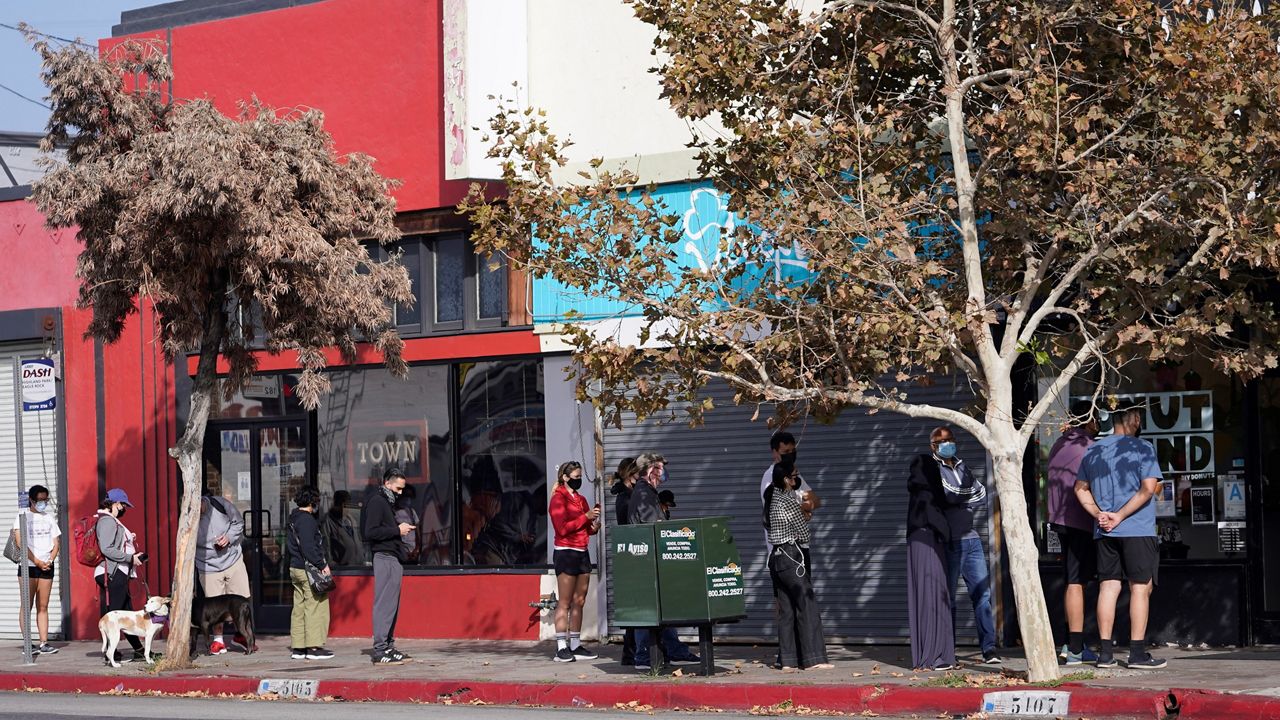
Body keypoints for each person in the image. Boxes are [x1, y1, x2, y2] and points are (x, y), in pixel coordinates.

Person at [1075, 406, 1166, 670]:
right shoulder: (1143, 448)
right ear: (1135, 419)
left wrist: (1099, 514)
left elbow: (1080, 489)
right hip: (1137, 529)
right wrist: (1120, 515)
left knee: (1109, 587)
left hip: (1105, 531)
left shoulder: (1093, 449)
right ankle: (1137, 653)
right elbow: (1149, 488)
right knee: (1140, 587)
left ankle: (1105, 654)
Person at [932, 427, 1001, 665]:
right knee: (947, 598)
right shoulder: (933, 469)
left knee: (982, 595)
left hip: (972, 540)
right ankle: (947, 652)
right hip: (950, 541)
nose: (947, 444)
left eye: (950, 439)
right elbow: (947, 496)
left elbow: (981, 494)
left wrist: (960, 495)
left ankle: (989, 649)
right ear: (933, 445)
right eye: (941, 441)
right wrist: (963, 494)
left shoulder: (962, 466)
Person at [626, 453, 700, 670]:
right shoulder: (643, 494)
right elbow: (654, 528)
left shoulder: (647, 492)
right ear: (649, 470)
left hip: (649, 561)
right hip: (648, 562)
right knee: (649, 609)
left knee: (660, 608)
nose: (663, 472)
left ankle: (673, 650)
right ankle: (644, 656)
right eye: (659, 468)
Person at [1047, 402, 1103, 664]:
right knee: (1076, 583)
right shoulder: (1090, 447)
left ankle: (1070, 644)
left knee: (1072, 579)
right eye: (1098, 418)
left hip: (1059, 520)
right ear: (1090, 420)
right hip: (1081, 520)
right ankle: (1076, 650)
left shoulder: (1059, 444)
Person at [765, 462, 833, 670]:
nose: (796, 481)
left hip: (776, 557)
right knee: (807, 604)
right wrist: (805, 517)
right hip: (792, 555)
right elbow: (804, 532)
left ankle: (788, 661)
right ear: (786, 479)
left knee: (786, 610)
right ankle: (814, 659)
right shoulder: (787, 499)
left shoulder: (772, 497)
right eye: (794, 477)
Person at [906, 435, 955, 672]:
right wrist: (948, 534)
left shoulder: (917, 492)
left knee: (925, 596)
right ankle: (936, 655)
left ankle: (929, 653)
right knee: (933, 594)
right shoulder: (927, 495)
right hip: (929, 542)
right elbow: (936, 517)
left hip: (919, 541)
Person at [548, 461, 601, 662]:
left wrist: (593, 526)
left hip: (582, 551)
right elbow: (562, 528)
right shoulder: (557, 499)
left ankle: (576, 644)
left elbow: (585, 528)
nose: (579, 480)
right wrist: (585, 517)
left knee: (580, 601)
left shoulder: (581, 499)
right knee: (565, 602)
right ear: (565, 477)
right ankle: (561, 647)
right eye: (576, 477)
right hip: (566, 552)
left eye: (580, 477)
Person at [362, 467, 415, 664]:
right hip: (384, 556)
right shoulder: (377, 501)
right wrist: (397, 530)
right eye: (397, 489)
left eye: (402, 489)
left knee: (392, 604)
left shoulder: (385, 501)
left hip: (391, 556)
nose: (400, 493)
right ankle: (380, 649)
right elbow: (370, 532)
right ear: (387, 484)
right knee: (384, 604)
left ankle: (388, 646)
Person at [95, 488, 150, 663]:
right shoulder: (107, 522)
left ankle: (140, 651)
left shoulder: (112, 521)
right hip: (112, 572)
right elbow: (107, 549)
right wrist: (130, 558)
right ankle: (110, 653)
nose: (124, 508)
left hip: (119, 572)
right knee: (115, 616)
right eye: (123, 505)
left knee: (126, 614)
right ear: (116, 504)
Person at [195, 493, 249, 655]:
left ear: (201, 500)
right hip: (208, 566)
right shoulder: (188, 517)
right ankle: (218, 641)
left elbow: (238, 523)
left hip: (232, 560)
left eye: (197, 506)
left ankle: (242, 635)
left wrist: (228, 537)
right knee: (214, 608)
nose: (196, 511)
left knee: (242, 599)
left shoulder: (220, 504)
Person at [11, 485, 60, 654]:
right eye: (40, 500)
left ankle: (44, 643)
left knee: (43, 606)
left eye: (45, 500)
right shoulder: (22, 517)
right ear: (32, 500)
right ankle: (27, 643)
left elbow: (56, 544)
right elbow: (20, 542)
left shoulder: (49, 518)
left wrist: (49, 560)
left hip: (46, 566)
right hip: (29, 566)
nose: (43, 503)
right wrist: (37, 561)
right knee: (27, 605)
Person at [760, 431, 820, 566]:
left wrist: (804, 508)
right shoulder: (771, 477)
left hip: (799, 552)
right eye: (785, 451)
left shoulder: (794, 474)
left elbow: (815, 500)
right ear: (775, 452)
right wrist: (802, 510)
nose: (790, 455)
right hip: (783, 553)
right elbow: (776, 509)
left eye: (793, 451)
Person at [287, 487, 334, 661]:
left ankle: (298, 648)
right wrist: (322, 565)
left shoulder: (294, 518)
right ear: (312, 501)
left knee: (299, 608)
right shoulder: (307, 520)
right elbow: (309, 547)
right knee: (316, 606)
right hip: (308, 569)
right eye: (317, 500)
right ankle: (314, 647)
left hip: (295, 567)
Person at [322, 490, 362, 566]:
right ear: (338, 505)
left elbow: (358, 539)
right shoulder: (328, 521)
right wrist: (331, 563)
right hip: (342, 569)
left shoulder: (351, 519)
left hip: (358, 566)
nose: (348, 508)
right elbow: (325, 545)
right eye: (345, 505)